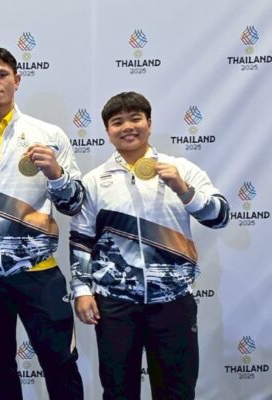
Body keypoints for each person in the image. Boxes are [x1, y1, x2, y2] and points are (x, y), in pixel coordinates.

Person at [69, 91, 230, 399]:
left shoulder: (181, 169)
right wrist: (82, 290)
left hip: (173, 301)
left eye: (135, 119)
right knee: (118, 391)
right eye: (118, 122)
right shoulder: (95, 180)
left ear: (150, 123)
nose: (128, 127)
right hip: (115, 304)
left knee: (177, 392)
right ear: (108, 131)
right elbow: (81, 238)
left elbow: (219, 217)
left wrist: (184, 190)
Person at [0, 46, 84, 400]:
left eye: (2, 75)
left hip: (39, 272)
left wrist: (56, 174)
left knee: (61, 364)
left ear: (17, 80)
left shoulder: (48, 135)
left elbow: (73, 204)